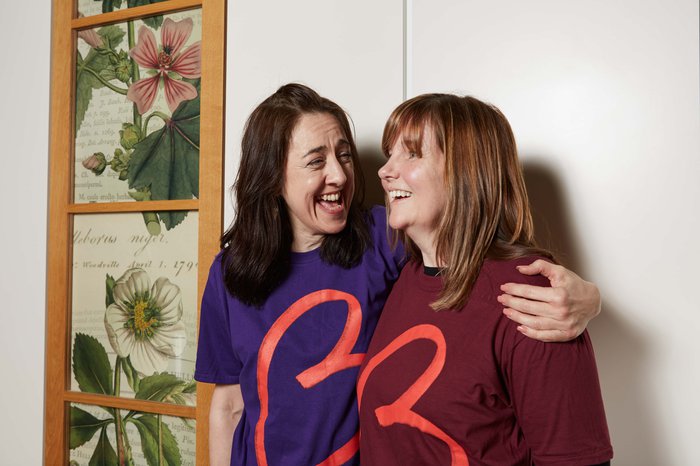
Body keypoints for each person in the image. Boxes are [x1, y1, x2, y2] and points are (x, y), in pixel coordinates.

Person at [194, 84, 602, 466]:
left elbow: (465, 243)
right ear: (272, 176)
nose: (341, 175)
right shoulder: (229, 272)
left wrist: (590, 300)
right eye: (316, 161)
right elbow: (229, 404)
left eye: (345, 155)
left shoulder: (383, 237)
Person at [358, 93, 613, 465]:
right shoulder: (403, 275)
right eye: (389, 154)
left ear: (464, 171)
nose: (385, 170)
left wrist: (593, 299)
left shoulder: (531, 296)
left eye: (412, 154)